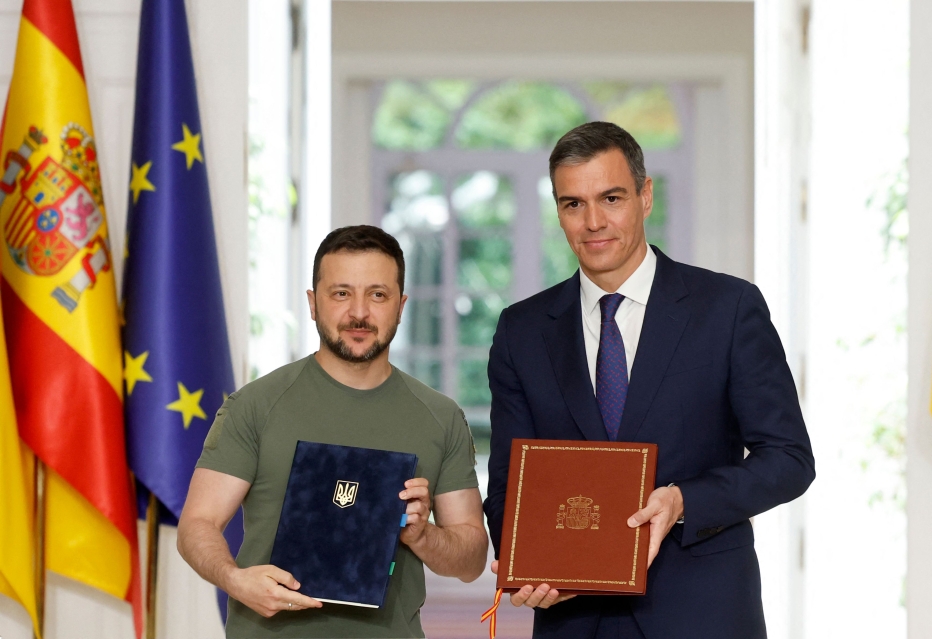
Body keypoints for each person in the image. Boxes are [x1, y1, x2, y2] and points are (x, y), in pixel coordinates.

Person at [484, 122, 815, 638]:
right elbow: (508, 485)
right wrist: (526, 563)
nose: (593, 222)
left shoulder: (727, 309)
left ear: (645, 196)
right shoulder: (522, 331)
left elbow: (789, 460)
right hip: (574, 618)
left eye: (610, 198)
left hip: (704, 613)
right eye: (573, 204)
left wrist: (685, 499)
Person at [178, 225, 488, 638]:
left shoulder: (440, 417)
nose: (358, 313)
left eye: (377, 295)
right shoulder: (255, 405)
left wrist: (424, 535)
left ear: (400, 305)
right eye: (341, 293)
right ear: (313, 303)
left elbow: (470, 562)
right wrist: (235, 579)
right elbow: (197, 524)